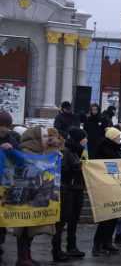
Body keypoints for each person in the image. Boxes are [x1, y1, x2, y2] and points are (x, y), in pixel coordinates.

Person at [16, 127, 64, 266]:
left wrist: (55, 155)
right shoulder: (25, 153)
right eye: (43, 136)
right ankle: (22, 258)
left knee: (30, 230)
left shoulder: (38, 152)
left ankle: (27, 256)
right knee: (23, 230)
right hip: (25, 198)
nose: (47, 139)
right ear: (35, 138)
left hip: (35, 196)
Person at [52, 128, 88, 261]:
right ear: (79, 138)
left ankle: (71, 247)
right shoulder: (66, 151)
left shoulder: (78, 151)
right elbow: (63, 169)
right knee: (62, 221)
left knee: (74, 220)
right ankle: (57, 250)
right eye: (84, 138)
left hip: (77, 188)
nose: (86, 140)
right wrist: (77, 167)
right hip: (67, 189)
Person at [92, 127, 121, 256]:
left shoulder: (116, 148)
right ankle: (97, 245)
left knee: (114, 217)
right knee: (106, 217)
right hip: (106, 186)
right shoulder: (104, 149)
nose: (119, 139)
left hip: (115, 185)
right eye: (117, 137)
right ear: (112, 138)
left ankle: (107, 242)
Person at [0, 111, 19, 265]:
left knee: (2, 217)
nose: (5, 130)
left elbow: (20, 158)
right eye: (3, 126)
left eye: (7, 127)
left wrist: (11, 149)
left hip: (6, 184)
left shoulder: (12, 139)